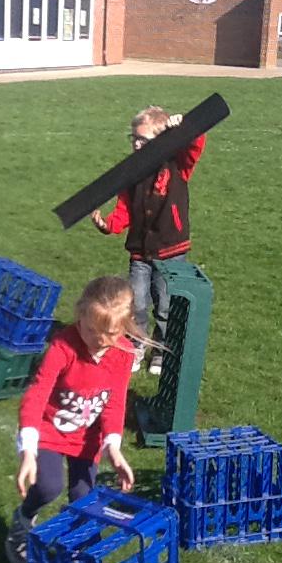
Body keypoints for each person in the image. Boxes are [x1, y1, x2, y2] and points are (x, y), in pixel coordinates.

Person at [5, 276, 139, 563]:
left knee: (84, 499)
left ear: (124, 327)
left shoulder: (123, 353)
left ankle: (78, 556)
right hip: (49, 430)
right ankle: (24, 519)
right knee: (47, 486)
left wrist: (113, 446)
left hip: (86, 438)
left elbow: (115, 401)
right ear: (80, 315)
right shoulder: (63, 346)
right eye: (91, 330)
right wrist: (28, 449)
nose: (99, 340)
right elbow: (37, 393)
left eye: (110, 333)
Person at [91, 106, 206, 374]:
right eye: (133, 138)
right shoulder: (131, 172)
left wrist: (184, 127)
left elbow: (195, 146)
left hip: (171, 250)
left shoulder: (176, 164)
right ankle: (137, 345)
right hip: (140, 252)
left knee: (164, 305)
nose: (136, 144)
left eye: (143, 140)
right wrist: (108, 225)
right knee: (137, 303)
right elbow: (124, 208)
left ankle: (161, 351)